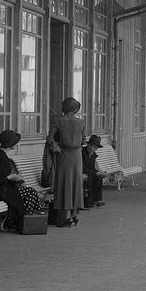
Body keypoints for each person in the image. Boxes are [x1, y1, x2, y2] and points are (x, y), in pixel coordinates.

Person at [0, 129, 46, 231]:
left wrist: (16, 180)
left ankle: (25, 219)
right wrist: (12, 178)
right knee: (31, 192)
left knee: (26, 192)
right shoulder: (1, 158)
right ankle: (25, 220)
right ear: (10, 144)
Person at [47, 97, 86, 227]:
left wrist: (57, 146)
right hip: (77, 155)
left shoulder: (57, 120)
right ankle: (74, 214)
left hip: (63, 155)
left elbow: (50, 139)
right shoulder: (81, 122)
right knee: (76, 183)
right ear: (76, 109)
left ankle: (66, 216)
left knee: (64, 183)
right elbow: (84, 141)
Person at [82, 134, 105, 208]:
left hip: (88, 173)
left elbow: (91, 168)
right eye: (91, 146)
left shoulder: (93, 155)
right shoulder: (82, 153)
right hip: (80, 173)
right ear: (88, 145)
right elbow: (83, 168)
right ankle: (87, 202)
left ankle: (96, 199)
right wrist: (96, 173)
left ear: (97, 148)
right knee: (89, 178)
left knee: (98, 178)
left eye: (94, 147)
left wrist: (100, 173)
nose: (92, 148)